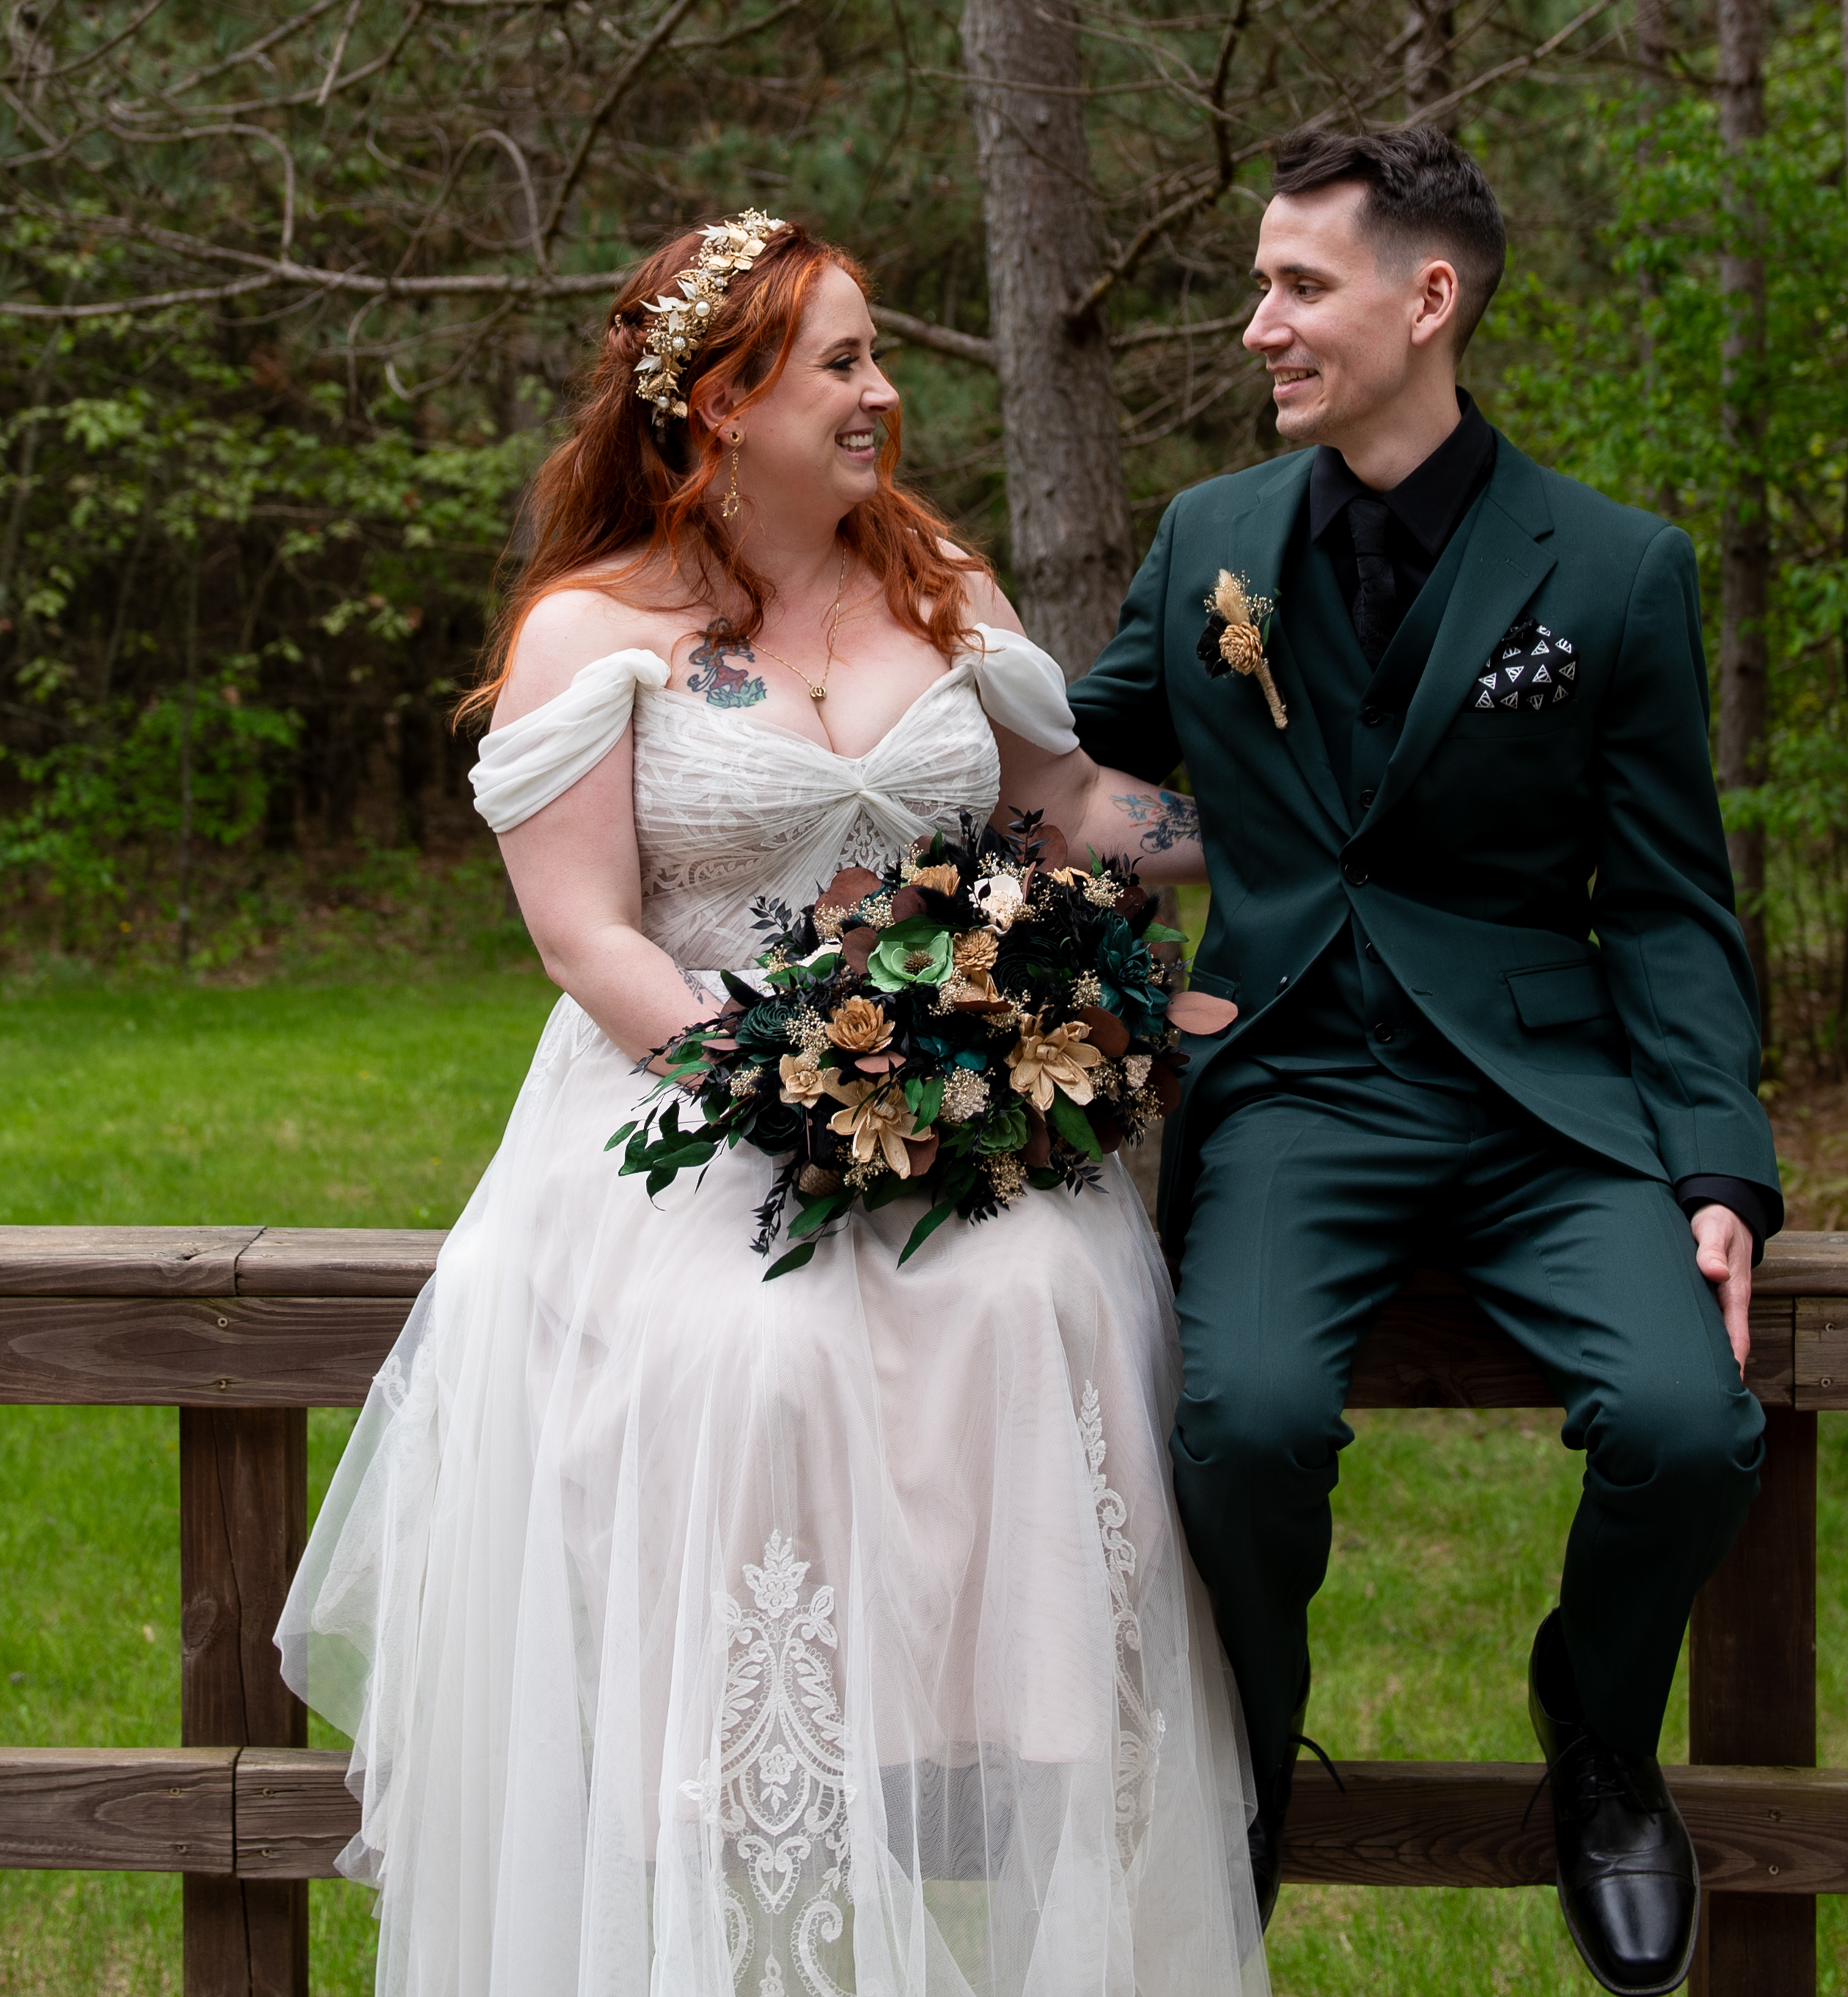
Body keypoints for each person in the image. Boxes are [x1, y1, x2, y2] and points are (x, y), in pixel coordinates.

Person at [276, 213, 1269, 1997]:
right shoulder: (596, 631)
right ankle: (723, 1809)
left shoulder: (942, 586)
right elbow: (585, 937)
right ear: (725, 404)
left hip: (954, 1099)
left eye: (875, 357)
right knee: (761, 1360)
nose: (883, 392)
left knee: (1046, 1298)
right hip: (690, 1099)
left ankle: (996, 1772)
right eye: (842, 363)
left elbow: (1072, 808)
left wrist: (1292, 844)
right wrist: (783, 1090)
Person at [1066, 128, 1783, 1997]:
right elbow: (1079, 767)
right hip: (1298, 1082)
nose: (1258, 327)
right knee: (1245, 1430)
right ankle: (1248, 1772)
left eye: (1297, 287)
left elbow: (1676, 904)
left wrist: (1717, 1172)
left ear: (1427, 299)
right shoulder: (1209, 541)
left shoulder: (1618, 572)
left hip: (1552, 1108)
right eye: (1261, 287)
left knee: (1696, 1427)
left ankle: (1602, 1741)